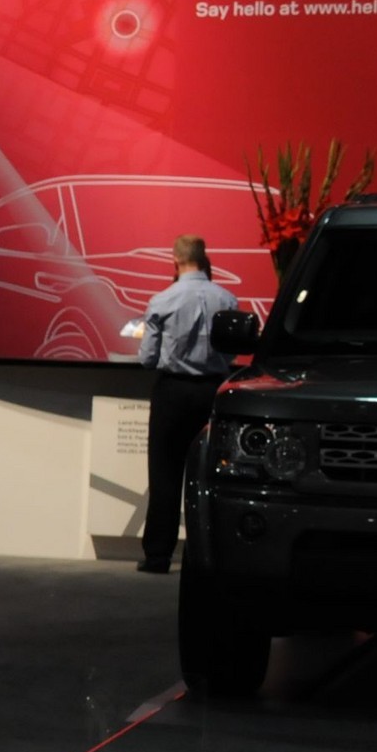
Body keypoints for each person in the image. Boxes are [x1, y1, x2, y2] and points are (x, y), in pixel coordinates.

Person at [132, 234, 242, 574]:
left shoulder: (162, 300)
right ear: (204, 259)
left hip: (172, 393)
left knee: (164, 473)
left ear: (175, 261)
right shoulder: (227, 298)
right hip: (213, 391)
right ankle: (206, 556)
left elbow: (148, 358)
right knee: (210, 475)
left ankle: (157, 556)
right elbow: (233, 351)